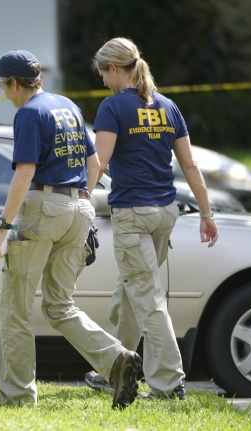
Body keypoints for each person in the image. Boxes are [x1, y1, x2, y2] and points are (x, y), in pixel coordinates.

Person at [0, 49, 141, 409]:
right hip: (79, 208)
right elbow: (95, 162)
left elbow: (24, 173)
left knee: (16, 308)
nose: (3, 93)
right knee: (59, 305)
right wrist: (82, 198)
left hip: (43, 208)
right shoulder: (67, 106)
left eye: (3, 86)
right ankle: (116, 358)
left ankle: (17, 397)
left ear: (13, 82)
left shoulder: (27, 113)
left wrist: (2, 227)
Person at [83, 37, 220, 400]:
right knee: (128, 294)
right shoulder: (167, 106)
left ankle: (169, 382)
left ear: (114, 68)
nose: (102, 80)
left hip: (133, 215)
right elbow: (189, 164)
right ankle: (114, 365)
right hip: (165, 213)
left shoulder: (113, 107)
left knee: (148, 298)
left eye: (102, 73)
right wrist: (206, 213)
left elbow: (100, 162)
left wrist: (81, 198)